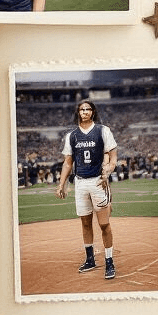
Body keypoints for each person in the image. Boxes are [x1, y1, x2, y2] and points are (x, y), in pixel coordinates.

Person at [56, 99, 118, 280]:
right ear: (78, 112)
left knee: (104, 224)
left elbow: (113, 157)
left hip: (98, 181)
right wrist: (62, 184)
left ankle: (109, 261)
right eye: (82, 109)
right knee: (85, 223)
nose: (85, 112)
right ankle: (90, 259)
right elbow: (68, 163)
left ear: (92, 112)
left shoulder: (103, 130)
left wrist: (108, 169)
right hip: (81, 182)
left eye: (88, 109)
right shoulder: (72, 136)